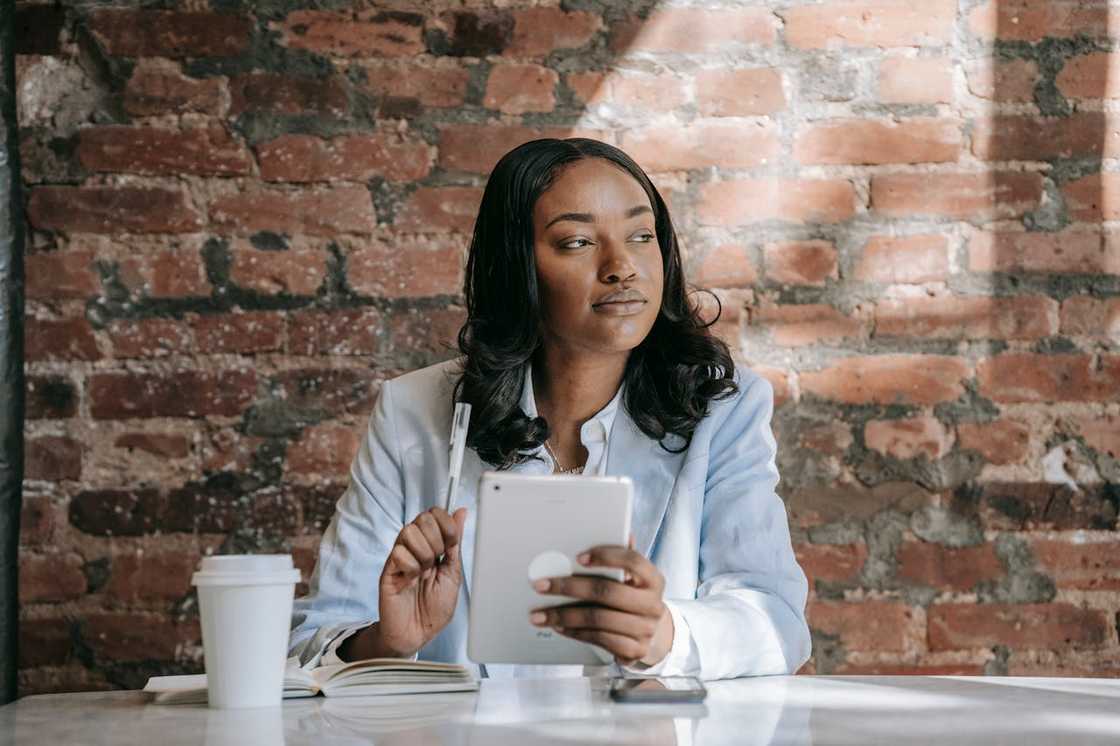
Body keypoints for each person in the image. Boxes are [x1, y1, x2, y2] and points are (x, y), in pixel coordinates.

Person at [288, 138, 811, 680]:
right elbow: (311, 641)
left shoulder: (722, 410)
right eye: (578, 241)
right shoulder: (412, 412)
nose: (622, 267)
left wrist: (663, 633)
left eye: (640, 235)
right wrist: (384, 643)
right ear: (515, 266)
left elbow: (777, 623)